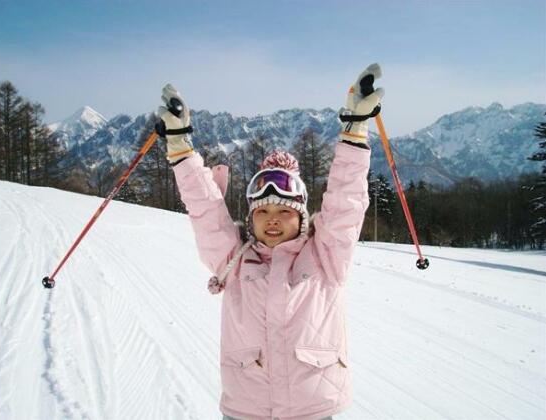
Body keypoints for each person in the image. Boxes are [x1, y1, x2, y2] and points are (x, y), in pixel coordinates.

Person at [156, 63, 384, 420]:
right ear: (250, 220)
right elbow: (206, 210)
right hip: (247, 409)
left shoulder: (326, 254)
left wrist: (354, 134)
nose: (273, 219)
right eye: (262, 212)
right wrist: (181, 149)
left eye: (284, 211)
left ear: (302, 216)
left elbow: (345, 202)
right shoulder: (233, 260)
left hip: (315, 409)